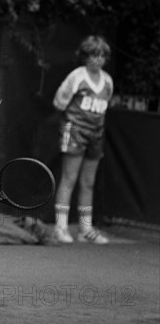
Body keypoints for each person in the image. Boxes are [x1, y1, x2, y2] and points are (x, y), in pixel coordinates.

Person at [52, 35, 113, 244]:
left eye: (102, 55)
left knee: (88, 182)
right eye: (93, 54)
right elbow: (59, 102)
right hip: (75, 130)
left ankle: (85, 229)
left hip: (97, 134)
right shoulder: (77, 76)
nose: (98, 59)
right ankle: (60, 227)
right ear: (85, 56)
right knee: (69, 179)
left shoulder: (108, 81)